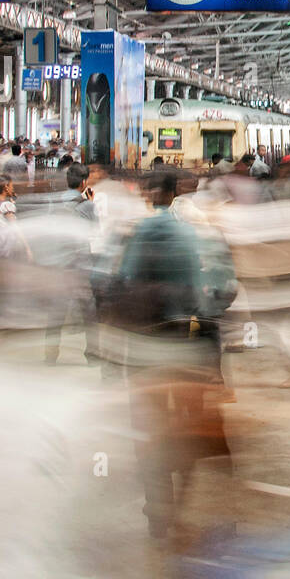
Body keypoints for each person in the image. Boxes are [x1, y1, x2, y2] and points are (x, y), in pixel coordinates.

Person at [117, 172, 229, 538]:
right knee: (188, 423)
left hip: (145, 344)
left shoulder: (141, 233)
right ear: (175, 193)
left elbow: (126, 278)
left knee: (146, 426)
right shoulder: (190, 234)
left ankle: (157, 509)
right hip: (183, 341)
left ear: (156, 194)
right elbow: (202, 294)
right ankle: (179, 494)